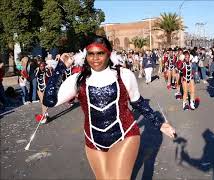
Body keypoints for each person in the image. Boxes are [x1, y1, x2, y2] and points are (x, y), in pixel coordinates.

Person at [43, 35, 176, 179]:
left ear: (109, 54)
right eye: (91, 54)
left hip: (125, 135)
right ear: (85, 55)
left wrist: (159, 123)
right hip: (93, 140)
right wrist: (61, 67)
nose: (95, 58)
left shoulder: (124, 75)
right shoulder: (78, 79)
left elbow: (138, 102)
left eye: (100, 53)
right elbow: (49, 100)